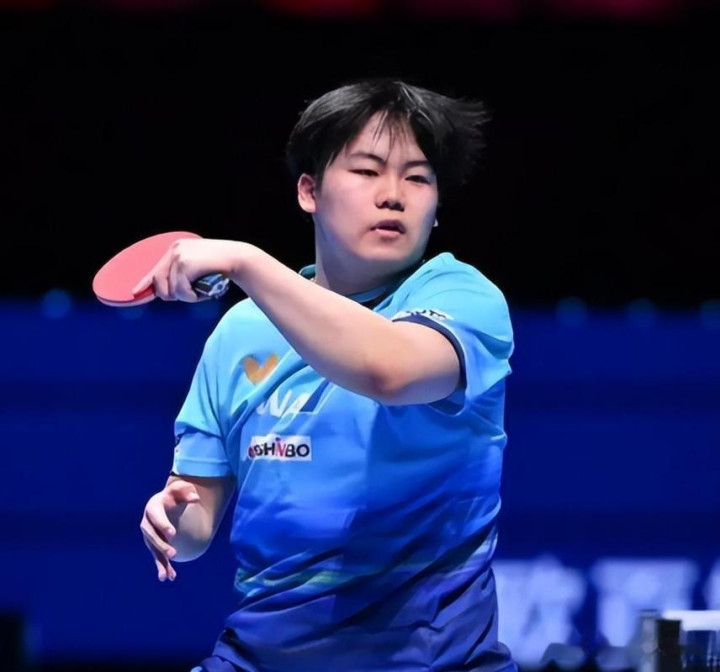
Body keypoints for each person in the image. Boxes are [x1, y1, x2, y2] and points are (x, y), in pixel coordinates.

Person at [138, 77, 517, 672]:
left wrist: (244, 260)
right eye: (367, 171)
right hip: (261, 656)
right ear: (309, 191)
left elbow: (387, 370)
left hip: (428, 660)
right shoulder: (240, 334)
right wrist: (170, 517)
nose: (393, 195)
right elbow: (195, 526)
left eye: (418, 179)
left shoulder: (464, 299)